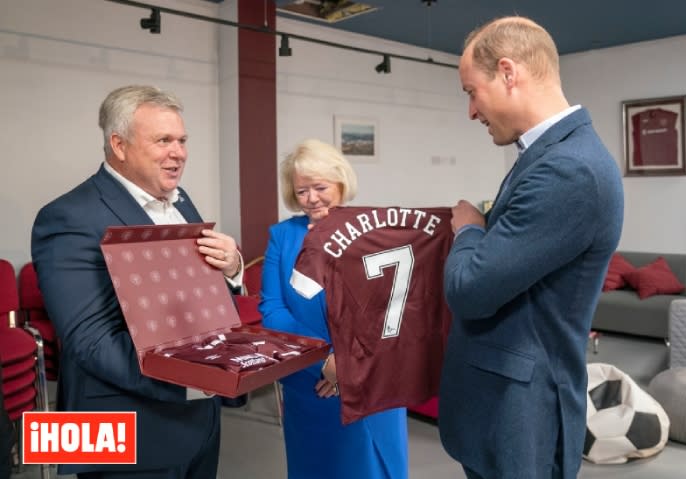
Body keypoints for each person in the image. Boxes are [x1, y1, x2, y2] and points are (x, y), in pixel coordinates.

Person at [439, 16, 624, 479]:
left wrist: (470, 230)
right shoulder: (549, 156)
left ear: (508, 73)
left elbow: (470, 288)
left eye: (470, 92)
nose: (471, 111)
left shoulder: (569, 170)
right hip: (502, 407)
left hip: (522, 417)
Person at [31, 85, 244, 479]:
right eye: (163, 140)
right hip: (125, 429)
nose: (178, 152)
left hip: (199, 420)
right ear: (119, 144)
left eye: (181, 140)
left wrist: (232, 270)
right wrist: (195, 381)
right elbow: (90, 342)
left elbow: (199, 302)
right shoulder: (67, 216)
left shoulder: (180, 201)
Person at [259, 139, 408, 479]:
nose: (312, 199)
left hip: (369, 383)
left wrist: (349, 367)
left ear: (341, 183)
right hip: (309, 383)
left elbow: (393, 311)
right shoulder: (282, 236)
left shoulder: (375, 231)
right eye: (302, 191)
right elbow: (273, 310)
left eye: (320, 187)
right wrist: (326, 360)